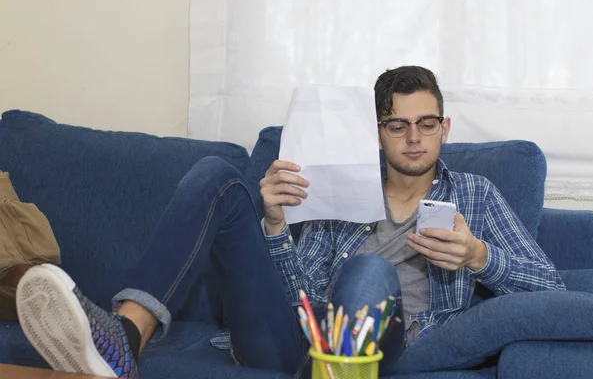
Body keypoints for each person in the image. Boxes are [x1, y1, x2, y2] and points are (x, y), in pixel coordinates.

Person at [16, 66, 565, 379]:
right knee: (218, 175)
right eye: (397, 125)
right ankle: (126, 336)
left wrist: (479, 257)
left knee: (370, 270)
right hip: (297, 335)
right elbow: (298, 294)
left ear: (445, 127)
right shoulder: (340, 181)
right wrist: (275, 224)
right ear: (377, 132)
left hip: (391, 342)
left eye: (425, 124)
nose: (414, 138)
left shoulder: (476, 194)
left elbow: (552, 292)